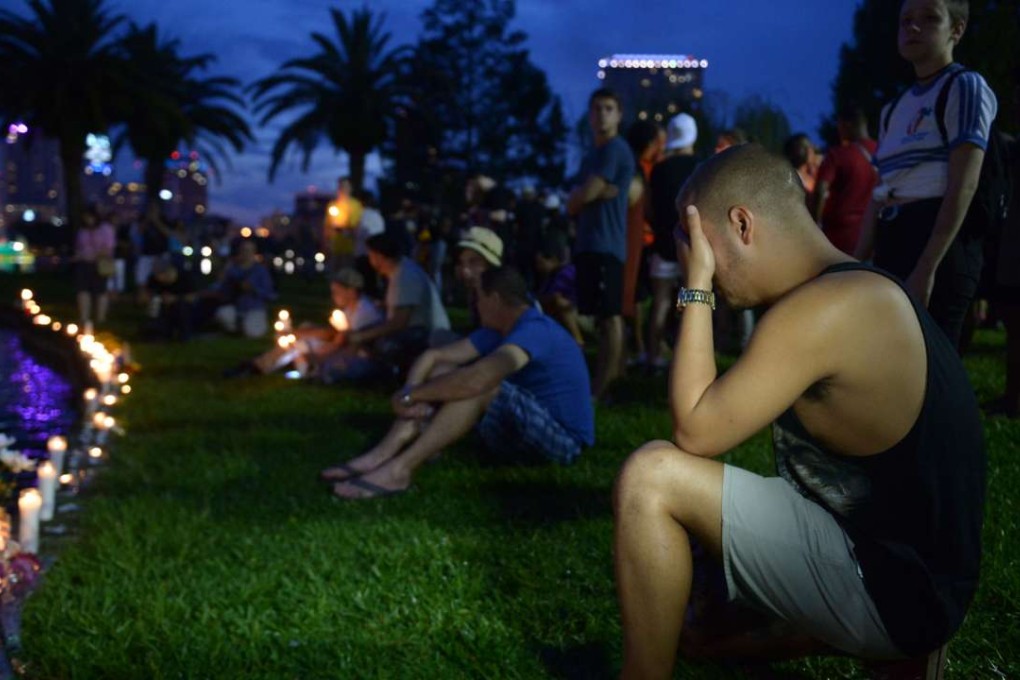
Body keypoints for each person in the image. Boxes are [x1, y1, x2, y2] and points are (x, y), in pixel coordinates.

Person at [613, 144, 985, 678]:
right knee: (698, 631)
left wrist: (695, 288)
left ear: (742, 224)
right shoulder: (857, 288)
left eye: (696, 239)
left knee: (651, 477)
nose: (694, 254)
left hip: (897, 591)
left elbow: (695, 430)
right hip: (915, 573)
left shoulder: (824, 310)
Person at [323, 267, 594, 498]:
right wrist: (409, 392)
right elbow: (434, 356)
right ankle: (384, 452)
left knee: (483, 385)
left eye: (479, 299)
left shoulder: (535, 329)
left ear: (495, 299)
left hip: (563, 441)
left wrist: (413, 396)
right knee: (446, 369)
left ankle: (399, 470)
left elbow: (480, 378)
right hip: (525, 432)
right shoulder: (501, 330)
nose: (476, 306)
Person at [855, 0, 998, 351]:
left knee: (932, 357)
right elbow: (881, 189)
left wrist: (927, 267)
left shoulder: (964, 87)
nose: (913, 28)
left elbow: (964, 183)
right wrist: (857, 260)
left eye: (930, 18)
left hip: (938, 237)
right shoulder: (893, 109)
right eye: (906, 20)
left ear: (956, 29)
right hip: (894, 235)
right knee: (892, 356)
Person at [567, 88, 635, 400]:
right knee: (599, 315)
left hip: (607, 243)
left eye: (608, 108)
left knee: (610, 317)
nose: (601, 114)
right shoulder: (592, 154)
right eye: (596, 108)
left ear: (619, 114)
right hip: (589, 242)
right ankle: (611, 375)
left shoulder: (615, 150)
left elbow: (587, 193)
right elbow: (578, 199)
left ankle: (604, 387)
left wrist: (590, 192)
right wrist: (588, 193)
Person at [227, 268, 383, 379]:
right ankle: (262, 364)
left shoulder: (363, 313)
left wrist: (313, 353)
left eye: (337, 292)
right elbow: (332, 332)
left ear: (351, 291)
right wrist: (297, 333)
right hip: (342, 348)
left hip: (353, 356)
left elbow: (342, 341)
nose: (334, 296)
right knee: (303, 332)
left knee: (298, 345)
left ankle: (258, 366)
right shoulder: (350, 308)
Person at [345, 232, 451, 377]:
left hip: (428, 334)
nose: (369, 259)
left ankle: (373, 372)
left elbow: (399, 323)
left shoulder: (405, 276)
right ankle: (352, 367)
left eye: (370, 255)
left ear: (379, 256)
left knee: (377, 340)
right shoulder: (399, 271)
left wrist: (362, 336)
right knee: (365, 331)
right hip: (417, 329)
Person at [647, 113, 700, 373]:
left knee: (661, 302)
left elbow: (648, 207)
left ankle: (654, 355)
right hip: (693, 246)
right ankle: (688, 359)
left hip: (663, 244)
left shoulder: (659, 169)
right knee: (693, 303)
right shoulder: (703, 166)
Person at [622, 120, 663, 368]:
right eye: (659, 141)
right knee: (635, 296)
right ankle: (635, 346)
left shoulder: (646, 167)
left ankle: (638, 345)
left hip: (642, 240)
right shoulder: (636, 169)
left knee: (639, 296)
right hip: (635, 241)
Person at [814, 105, 879, 255]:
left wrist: (816, 223)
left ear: (846, 124)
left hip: (840, 236)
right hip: (875, 234)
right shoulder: (884, 152)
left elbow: (821, 189)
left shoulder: (837, 155)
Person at [206, 239, 276, 338]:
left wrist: (253, 289)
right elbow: (221, 287)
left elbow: (270, 294)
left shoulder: (261, 271)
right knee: (222, 314)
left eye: (248, 250)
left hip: (254, 308)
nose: (245, 253)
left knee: (251, 332)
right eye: (243, 250)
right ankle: (237, 329)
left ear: (253, 252)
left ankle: (251, 327)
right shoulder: (233, 269)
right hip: (237, 308)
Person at [534, 229, 584, 345]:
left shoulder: (567, 272)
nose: (538, 267)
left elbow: (555, 298)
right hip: (574, 314)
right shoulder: (550, 277)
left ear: (552, 259)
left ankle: (578, 342)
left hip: (583, 315)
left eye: (541, 262)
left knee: (559, 304)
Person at [72, 207, 116, 327]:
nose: (88, 220)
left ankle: (101, 317)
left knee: (100, 290)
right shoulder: (82, 231)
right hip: (84, 263)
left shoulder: (106, 229)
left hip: (100, 264)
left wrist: (94, 254)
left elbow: (109, 248)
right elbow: (79, 247)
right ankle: (84, 317)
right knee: (83, 290)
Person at [139, 258, 199, 341]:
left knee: (182, 306)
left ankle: (183, 334)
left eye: (159, 274)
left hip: (183, 309)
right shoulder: (154, 280)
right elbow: (145, 295)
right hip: (162, 310)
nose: (158, 277)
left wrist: (175, 299)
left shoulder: (185, 277)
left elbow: (193, 297)